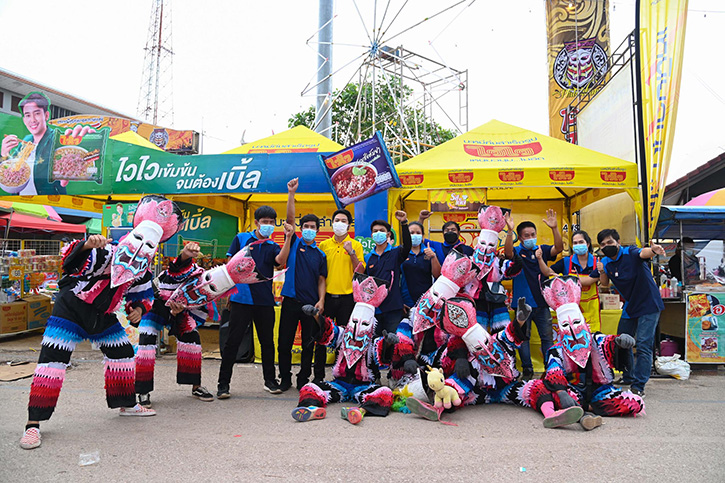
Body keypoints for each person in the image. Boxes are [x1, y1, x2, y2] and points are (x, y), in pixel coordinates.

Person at [19, 195, 184, 450]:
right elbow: (69, 264)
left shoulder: (143, 271)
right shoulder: (105, 252)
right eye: (139, 239)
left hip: (103, 316)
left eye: (149, 245)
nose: (141, 248)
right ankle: (33, 425)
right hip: (71, 310)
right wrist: (86, 246)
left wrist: (138, 309)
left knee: (123, 353)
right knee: (52, 363)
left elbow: (142, 295)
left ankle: (126, 404)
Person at [518, 276, 645, 429]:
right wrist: (561, 392)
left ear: (583, 321)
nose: (573, 329)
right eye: (566, 324)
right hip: (574, 390)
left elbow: (609, 343)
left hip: (601, 390)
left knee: (635, 403)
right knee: (561, 398)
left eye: (576, 322)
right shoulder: (556, 350)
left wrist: (620, 341)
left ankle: (586, 410)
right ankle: (581, 412)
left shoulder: (596, 339)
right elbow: (554, 371)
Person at [217, 194, 294, 398]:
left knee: (267, 341)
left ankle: (270, 381)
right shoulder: (241, 238)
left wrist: (287, 238)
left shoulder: (272, 245)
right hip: (241, 299)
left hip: (264, 300)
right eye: (264, 222)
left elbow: (280, 262)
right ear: (256, 222)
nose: (268, 225)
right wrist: (227, 293)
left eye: (271, 222)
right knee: (232, 342)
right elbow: (229, 265)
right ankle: (223, 384)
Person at [291, 274, 394, 425]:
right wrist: (316, 316)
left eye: (364, 324)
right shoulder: (342, 334)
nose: (358, 327)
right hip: (339, 384)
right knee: (310, 387)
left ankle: (360, 411)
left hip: (364, 386)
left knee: (385, 393)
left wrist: (389, 343)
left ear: (372, 325)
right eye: (354, 322)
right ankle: (312, 409)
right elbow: (327, 332)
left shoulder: (373, 342)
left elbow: (383, 358)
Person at [134, 242, 214, 408]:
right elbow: (179, 265)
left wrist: (177, 312)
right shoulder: (173, 271)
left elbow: (198, 303)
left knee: (192, 340)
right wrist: (185, 254)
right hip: (156, 306)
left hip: (180, 309)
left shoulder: (201, 278)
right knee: (146, 345)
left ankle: (196, 386)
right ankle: (143, 390)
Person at [597, 229, 665, 398]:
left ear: (618, 242)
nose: (607, 246)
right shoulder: (605, 261)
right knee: (621, 340)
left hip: (648, 303)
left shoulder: (630, 252)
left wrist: (654, 249)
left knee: (643, 344)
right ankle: (628, 375)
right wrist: (601, 270)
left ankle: (638, 385)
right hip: (630, 305)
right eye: (603, 244)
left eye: (610, 243)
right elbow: (604, 284)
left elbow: (644, 252)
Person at [277, 178, 328, 392]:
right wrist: (291, 193)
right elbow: (289, 218)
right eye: (305, 226)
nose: (308, 229)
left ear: (317, 230)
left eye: (312, 227)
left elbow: (321, 280)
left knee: (308, 344)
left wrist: (321, 300)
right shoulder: (296, 242)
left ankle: (303, 378)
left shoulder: (321, 254)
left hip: (310, 305)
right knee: (284, 343)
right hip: (290, 301)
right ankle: (285, 378)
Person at [504, 209, 563, 380]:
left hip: (542, 303)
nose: (530, 237)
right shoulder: (516, 252)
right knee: (523, 339)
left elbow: (558, 248)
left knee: (547, 338)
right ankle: (527, 370)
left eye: (533, 234)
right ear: (520, 238)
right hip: (521, 304)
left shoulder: (541, 250)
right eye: (526, 235)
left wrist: (554, 228)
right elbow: (507, 253)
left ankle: (550, 368)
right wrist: (509, 231)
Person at [0, 92, 95, 195]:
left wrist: (86, 140)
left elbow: (74, 156)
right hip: (19, 203)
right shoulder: (26, 140)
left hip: (50, 203)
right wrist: (4, 155)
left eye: (37, 113)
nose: (32, 120)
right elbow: (11, 172)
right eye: (27, 115)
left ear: (46, 115)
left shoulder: (56, 138)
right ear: (24, 120)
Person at [317, 208, 365, 382]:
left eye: (344, 221)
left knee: (346, 340)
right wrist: (321, 299)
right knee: (322, 337)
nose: (340, 223)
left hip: (347, 299)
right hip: (328, 298)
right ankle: (319, 377)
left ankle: (343, 375)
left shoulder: (356, 245)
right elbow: (320, 274)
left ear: (349, 225)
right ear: (332, 223)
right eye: (337, 220)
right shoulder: (324, 245)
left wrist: (351, 251)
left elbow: (360, 270)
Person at [536, 230, 602, 332]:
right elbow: (547, 272)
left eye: (581, 242)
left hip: (591, 311)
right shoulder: (567, 261)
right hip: (571, 312)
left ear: (588, 244)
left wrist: (564, 279)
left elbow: (588, 281)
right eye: (575, 243)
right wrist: (540, 259)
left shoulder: (597, 262)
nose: (578, 245)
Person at [365, 211, 411, 336]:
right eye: (375, 231)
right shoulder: (368, 257)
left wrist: (404, 223)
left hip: (393, 308)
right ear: (371, 235)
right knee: (376, 343)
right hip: (374, 309)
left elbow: (407, 246)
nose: (378, 233)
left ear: (388, 234)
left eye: (381, 230)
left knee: (392, 343)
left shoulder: (396, 253)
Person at [400, 221, 441, 310]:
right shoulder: (401, 252)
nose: (415, 235)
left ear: (423, 236)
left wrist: (433, 256)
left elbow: (437, 275)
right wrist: (400, 301)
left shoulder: (430, 251)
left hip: (426, 301)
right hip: (406, 301)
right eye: (411, 233)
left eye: (418, 233)